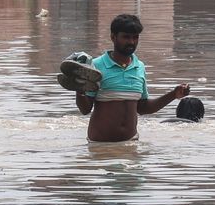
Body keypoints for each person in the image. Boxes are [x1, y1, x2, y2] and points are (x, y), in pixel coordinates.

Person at [69, 14, 191, 142]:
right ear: (113, 37)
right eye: (126, 37)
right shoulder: (96, 66)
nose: (131, 42)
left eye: (135, 37)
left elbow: (143, 108)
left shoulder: (139, 67)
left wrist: (173, 95)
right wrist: (79, 89)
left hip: (131, 144)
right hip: (100, 146)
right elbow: (85, 109)